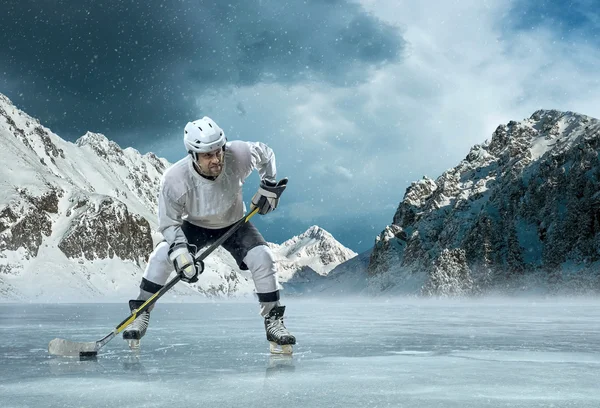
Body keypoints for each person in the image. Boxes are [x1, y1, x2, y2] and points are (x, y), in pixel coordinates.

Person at [123, 116, 295, 354]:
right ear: (193, 155)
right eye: (207, 155)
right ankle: (140, 313)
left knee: (263, 257)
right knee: (162, 256)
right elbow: (169, 225)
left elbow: (266, 154)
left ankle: (274, 321)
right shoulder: (174, 180)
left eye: (218, 152)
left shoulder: (240, 154)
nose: (216, 160)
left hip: (235, 223)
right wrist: (181, 255)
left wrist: (269, 184)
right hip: (195, 225)